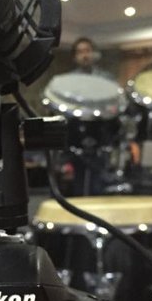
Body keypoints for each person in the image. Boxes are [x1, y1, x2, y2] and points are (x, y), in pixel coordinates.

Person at [64, 36, 117, 195]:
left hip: (101, 134)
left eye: (87, 51)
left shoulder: (106, 79)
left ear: (94, 54)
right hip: (77, 136)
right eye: (80, 52)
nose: (84, 55)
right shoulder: (68, 81)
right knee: (79, 181)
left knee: (99, 180)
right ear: (75, 57)